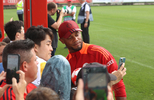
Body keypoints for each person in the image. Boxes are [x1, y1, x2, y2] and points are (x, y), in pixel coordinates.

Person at [58, 20, 127, 100]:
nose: (76, 39)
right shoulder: (66, 64)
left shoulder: (100, 53)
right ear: (62, 41)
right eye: (70, 37)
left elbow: (118, 83)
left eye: (77, 34)